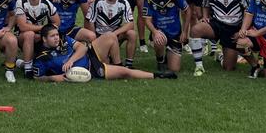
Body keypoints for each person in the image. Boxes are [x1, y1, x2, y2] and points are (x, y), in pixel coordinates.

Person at [33, 24, 177, 82]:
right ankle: (157, 76)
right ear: (44, 39)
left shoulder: (63, 39)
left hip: (90, 56)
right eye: (53, 36)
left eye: (57, 35)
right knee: (125, 73)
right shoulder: (42, 57)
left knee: (109, 36)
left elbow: (82, 48)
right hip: (90, 71)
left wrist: (71, 61)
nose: (57, 38)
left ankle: (160, 75)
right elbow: (39, 78)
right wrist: (63, 77)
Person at [189, 0, 250, 74]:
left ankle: (221, 56)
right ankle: (199, 66)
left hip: (233, 28)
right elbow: (206, 5)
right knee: (195, 29)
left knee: (229, 68)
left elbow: (248, 12)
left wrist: (243, 29)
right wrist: (205, 17)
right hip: (217, 25)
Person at [143, 0, 191, 73]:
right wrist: (155, 32)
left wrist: (185, 31)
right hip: (160, 32)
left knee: (174, 69)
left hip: (175, 34)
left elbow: (188, 10)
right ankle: (160, 61)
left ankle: (169, 56)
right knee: (159, 39)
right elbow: (147, 20)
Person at [15, 0, 61, 79]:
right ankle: (28, 69)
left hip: (40, 37)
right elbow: (22, 27)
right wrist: (44, 28)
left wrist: (45, 33)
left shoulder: (46, 3)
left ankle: (20, 62)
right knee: (29, 34)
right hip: (22, 38)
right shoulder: (21, 2)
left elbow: (57, 22)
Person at [86, 0, 136, 68]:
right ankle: (111, 59)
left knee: (132, 33)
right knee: (105, 64)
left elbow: (131, 24)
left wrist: (114, 34)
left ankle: (129, 64)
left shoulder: (124, 2)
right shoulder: (97, 1)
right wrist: (95, 42)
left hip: (116, 35)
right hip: (100, 35)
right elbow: (90, 22)